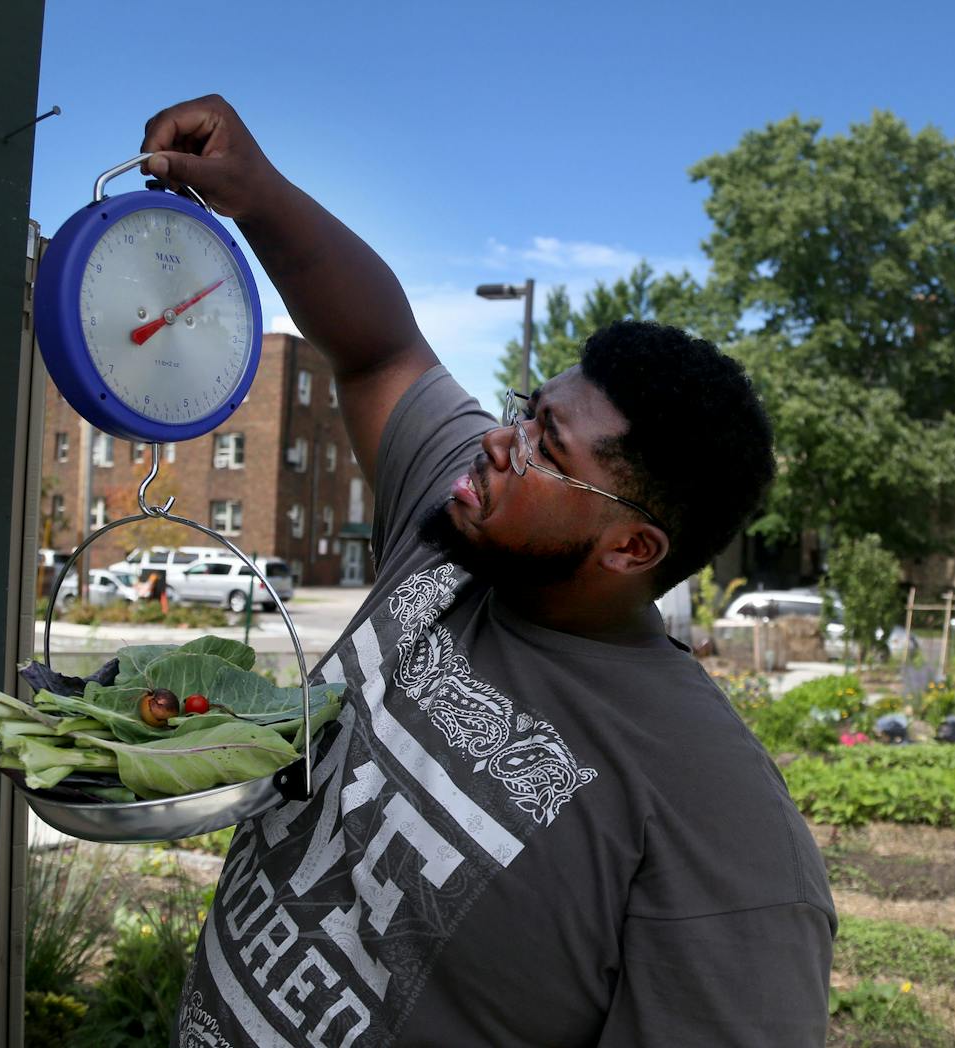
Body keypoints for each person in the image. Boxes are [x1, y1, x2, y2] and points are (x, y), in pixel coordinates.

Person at [140, 96, 836, 1047]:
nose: (500, 443)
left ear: (632, 549)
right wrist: (257, 194)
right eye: (524, 409)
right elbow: (380, 348)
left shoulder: (716, 826)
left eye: (547, 448)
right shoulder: (457, 517)